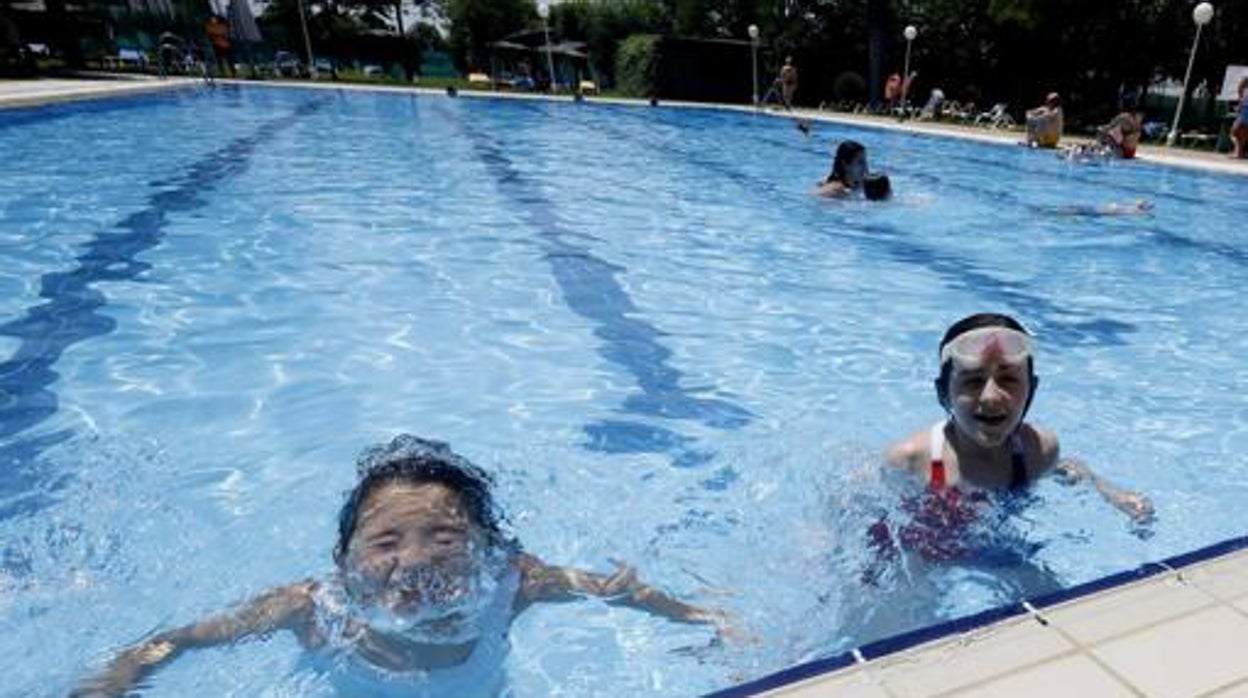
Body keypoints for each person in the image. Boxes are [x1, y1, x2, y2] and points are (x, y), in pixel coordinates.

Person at [72, 436, 732, 697]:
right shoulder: (311, 606)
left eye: (445, 539)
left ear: (486, 548)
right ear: (346, 558)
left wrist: (699, 616)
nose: (413, 562)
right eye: (385, 543)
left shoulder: (514, 582)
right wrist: (117, 677)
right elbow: (179, 639)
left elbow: (617, 591)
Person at [885, 314, 1154, 526]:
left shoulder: (1039, 451)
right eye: (974, 380)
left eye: (1009, 379)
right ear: (943, 392)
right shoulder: (911, 459)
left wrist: (1109, 491)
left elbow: (1068, 468)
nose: (991, 397)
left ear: (1032, 389)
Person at [1231, 77, 1248, 160]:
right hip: (1245, 110)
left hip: (1245, 110)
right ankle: (1239, 152)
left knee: (1237, 131)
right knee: (1239, 132)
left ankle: (1239, 152)